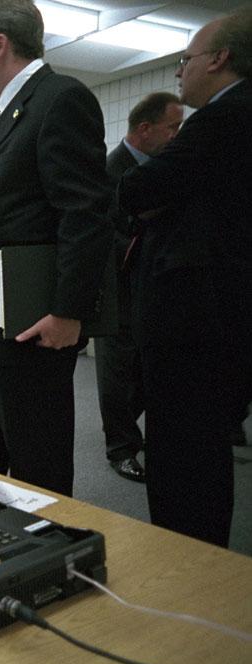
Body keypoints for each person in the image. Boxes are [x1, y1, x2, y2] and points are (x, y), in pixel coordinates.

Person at [0, 0, 111, 496]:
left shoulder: (59, 99)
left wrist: (69, 312)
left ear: (0, 44)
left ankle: (47, 561)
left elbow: (86, 213)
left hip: (29, 318)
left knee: (37, 455)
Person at [118, 7, 252, 547]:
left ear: (219, 59)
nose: (180, 72)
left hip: (194, 322)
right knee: (206, 445)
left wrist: (156, 199)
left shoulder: (225, 117)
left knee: (183, 452)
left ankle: (187, 561)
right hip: (221, 314)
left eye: (186, 60)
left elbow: (136, 192)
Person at [97, 93, 183, 484]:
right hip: (118, 288)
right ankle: (121, 449)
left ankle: (126, 432)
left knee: (146, 369)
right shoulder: (109, 171)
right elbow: (100, 234)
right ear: (145, 129)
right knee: (117, 372)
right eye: (173, 127)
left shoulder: (164, 168)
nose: (176, 136)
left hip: (155, 287)